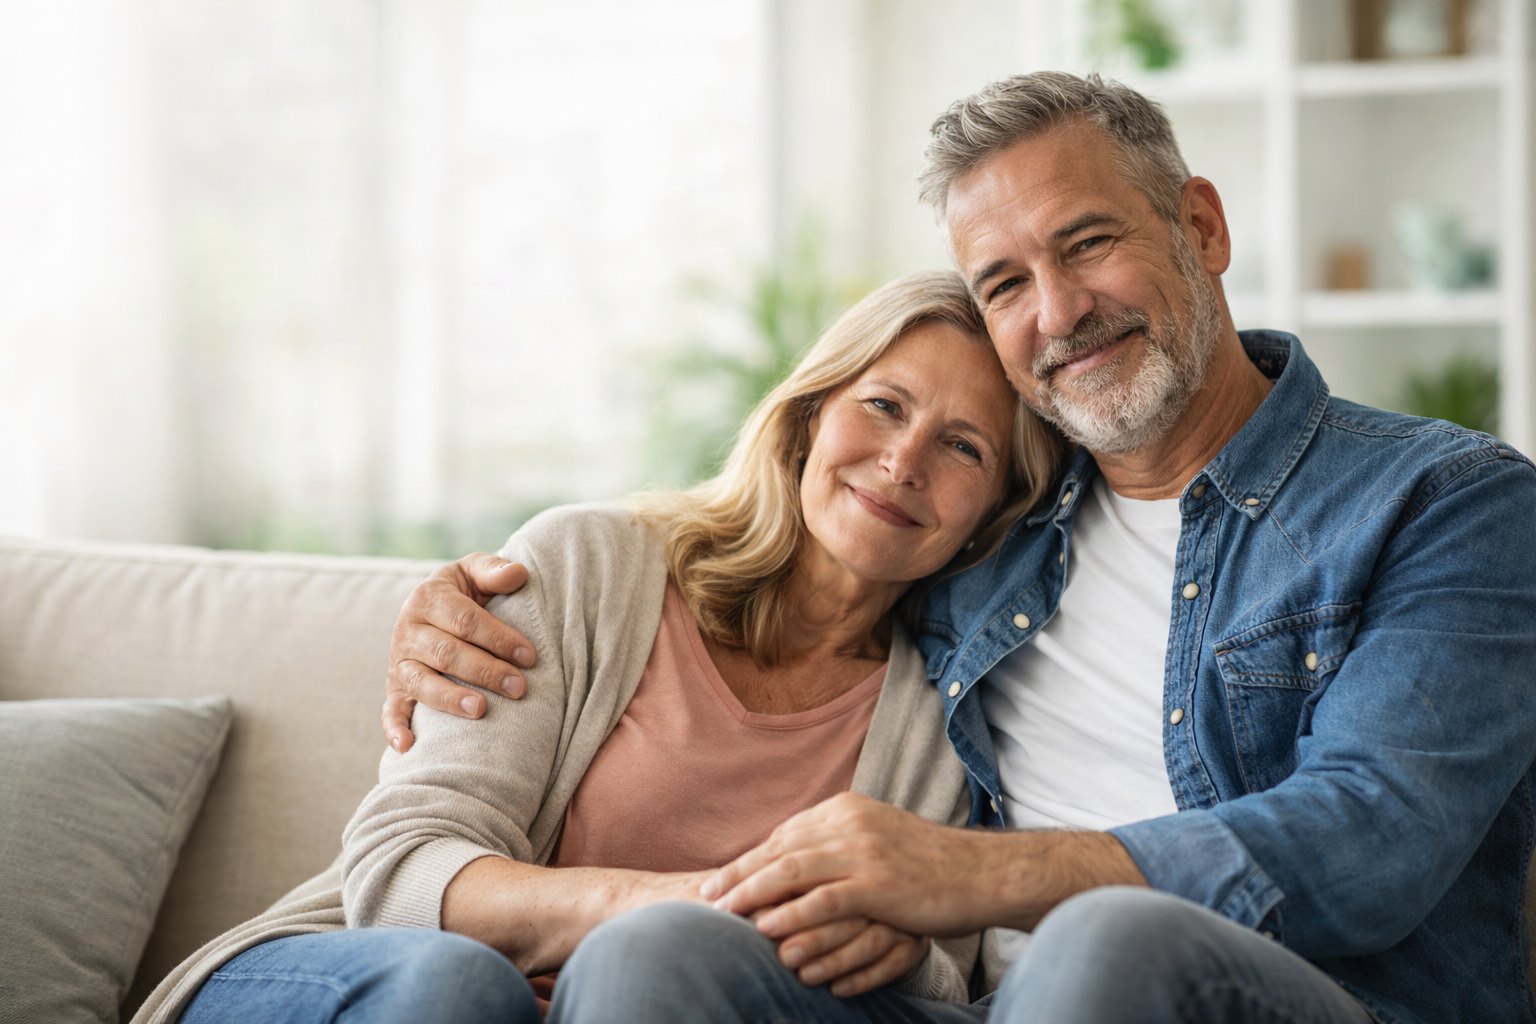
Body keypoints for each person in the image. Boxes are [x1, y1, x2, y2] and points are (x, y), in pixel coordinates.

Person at [386, 72, 1536, 1024]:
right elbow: (784, 539)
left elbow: (1374, 834)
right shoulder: (991, 523)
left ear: (1202, 226)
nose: (1058, 310)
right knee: (660, 959)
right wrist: (459, 608)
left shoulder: (1449, 503)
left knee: (1109, 945)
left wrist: (972, 875)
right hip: (983, 1009)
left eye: (1087, 244)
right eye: (1005, 284)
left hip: (1316, 1000)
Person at [130, 272, 1069, 1024]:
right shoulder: (591, 565)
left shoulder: (945, 715)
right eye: (885, 405)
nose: (904, 462)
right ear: (808, 417)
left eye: (965, 449)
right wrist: (663, 909)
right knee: (464, 991)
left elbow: (944, 975)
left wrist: (897, 948)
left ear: (993, 516)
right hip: (370, 982)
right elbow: (400, 869)